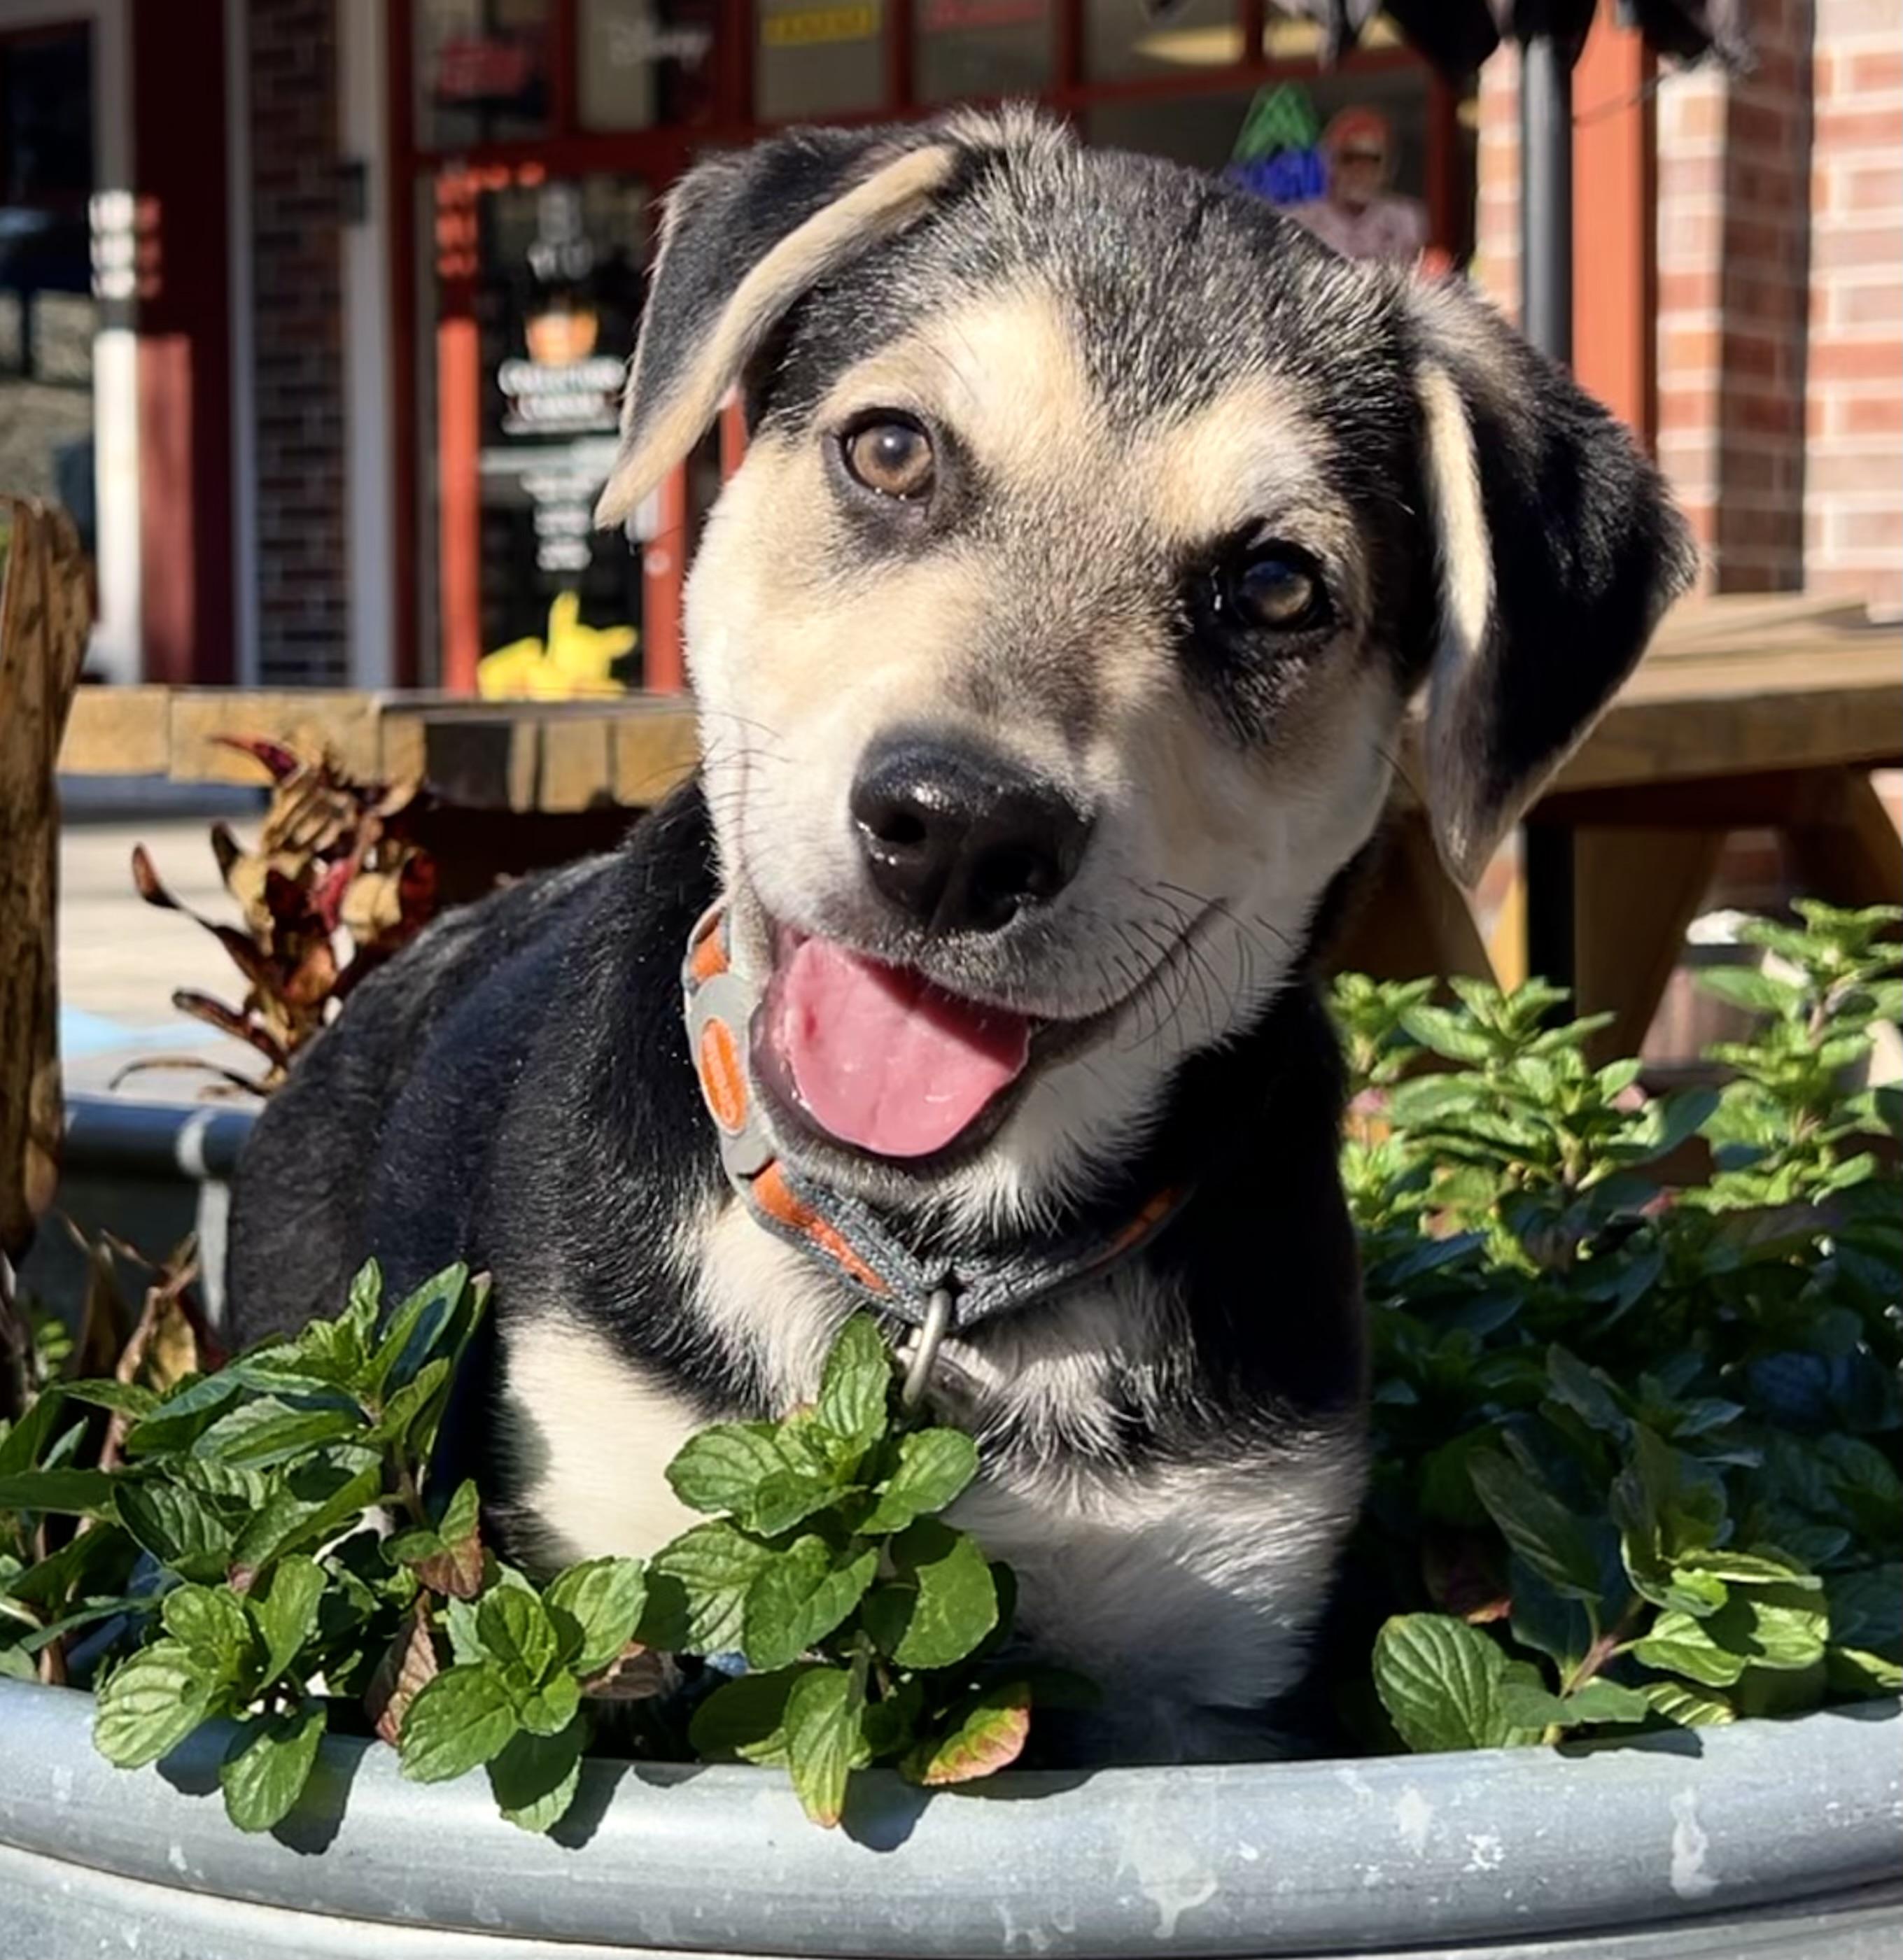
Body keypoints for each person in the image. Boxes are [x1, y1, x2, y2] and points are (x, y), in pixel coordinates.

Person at [1285, 106, 1428, 266]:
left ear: (1388, 166)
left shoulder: (1408, 220)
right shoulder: (1300, 223)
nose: (1361, 171)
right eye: (1350, 159)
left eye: (1372, 160)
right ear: (1330, 163)